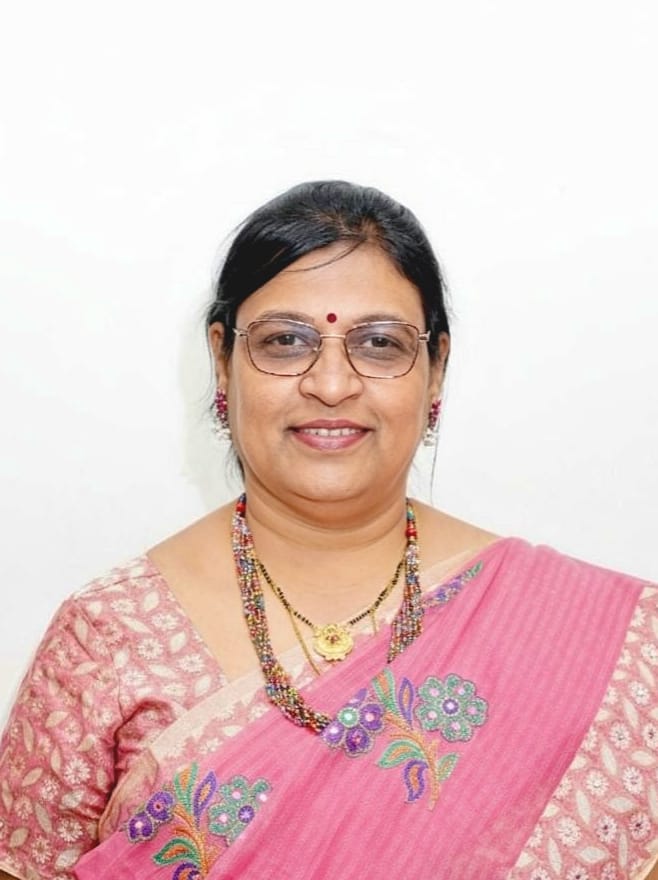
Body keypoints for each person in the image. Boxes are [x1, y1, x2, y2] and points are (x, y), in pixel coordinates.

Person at [0, 180, 656, 880]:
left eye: (379, 343)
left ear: (437, 369)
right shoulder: (107, 639)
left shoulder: (619, 647)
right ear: (222, 360)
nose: (333, 384)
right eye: (286, 342)